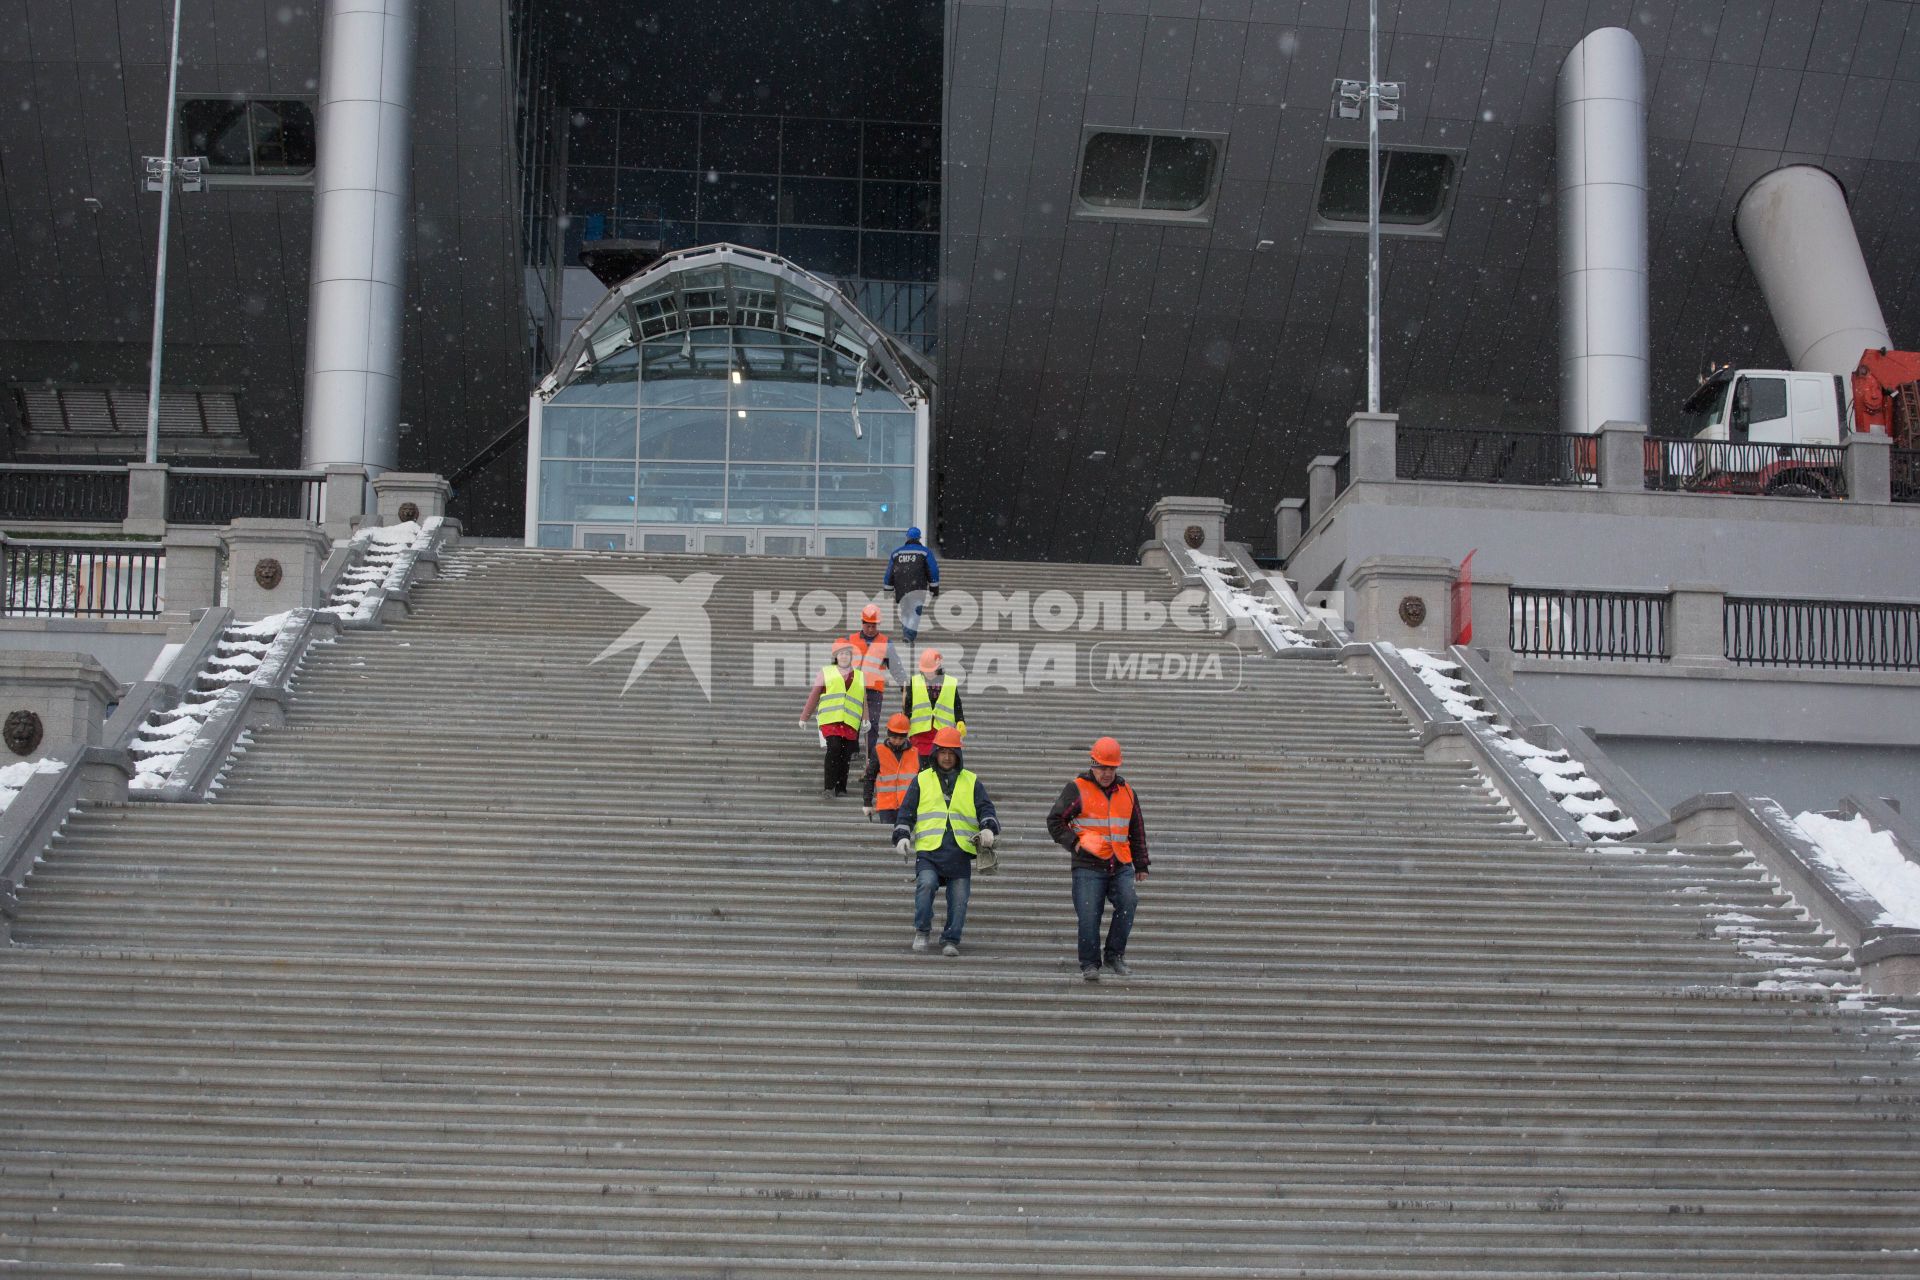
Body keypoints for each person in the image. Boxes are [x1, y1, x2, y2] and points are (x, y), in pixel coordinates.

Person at [1046, 736, 1150, 982]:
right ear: (1093, 764)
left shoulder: (1127, 792)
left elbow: (1137, 829)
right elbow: (1055, 821)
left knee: (1128, 903)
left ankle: (1114, 956)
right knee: (1089, 914)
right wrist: (1075, 843)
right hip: (1087, 866)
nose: (1107, 773)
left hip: (1120, 862)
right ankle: (1090, 963)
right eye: (1102, 767)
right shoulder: (1077, 788)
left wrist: (1141, 863)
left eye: (1111, 768)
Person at [893, 726, 999, 957]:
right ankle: (922, 931)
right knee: (926, 885)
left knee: (959, 898)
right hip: (930, 850)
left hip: (959, 851)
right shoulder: (921, 780)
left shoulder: (971, 781)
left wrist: (989, 828)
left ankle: (950, 938)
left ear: (959, 755)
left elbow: (986, 809)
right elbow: (906, 812)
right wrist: (901, 836)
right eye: (943, 752)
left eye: (952, 752)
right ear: (935, 753)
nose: (947, 757)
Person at [797, 637, 866, 798]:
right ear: (835, 656)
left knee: (846, 754)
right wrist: (804, 717)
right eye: (841, 653)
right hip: (830, 720)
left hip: (850, 722)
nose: (844, 656)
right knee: (834, 748)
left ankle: (841, 787)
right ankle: (829, 787)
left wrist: (865, 718)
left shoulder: (860, 675)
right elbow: (814, 695)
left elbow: (863, 700)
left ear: (851, 656)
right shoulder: (826, 672)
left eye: (847, 654)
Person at [847, 603, 892, 814]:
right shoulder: (852, 640)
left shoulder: (885, 642)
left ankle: (870, 758)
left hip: (874, 690)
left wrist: (905, 686)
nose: (871, 628)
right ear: (862, 623)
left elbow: (896, 665)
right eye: (868, 625)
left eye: (874, 625)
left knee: (872, 724)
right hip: (854, 688)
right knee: (854, 721)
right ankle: (854, 748)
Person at [902, 646, 963, 759]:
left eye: (931, 671)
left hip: (942, 733)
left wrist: (960, 720)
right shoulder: (915, 681)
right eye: (925, 671)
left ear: (938, 667)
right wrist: (905, 720)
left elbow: (957, 704)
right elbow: (908, 705)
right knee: (920, 767)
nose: (928, 674)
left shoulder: (950, 682)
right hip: (919, 734)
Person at [882, 526, 939, 646]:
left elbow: (889, 572)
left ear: (907, 537)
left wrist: (888, 589)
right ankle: (909, 635)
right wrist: (934, 587)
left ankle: (906, 633)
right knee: (915, 612)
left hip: (901, 588)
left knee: (906, 611)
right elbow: (933, 570)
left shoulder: (897, 553)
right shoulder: (925, 552)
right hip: (918, 588)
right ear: (919, 538)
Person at [870, 713, 919, 829]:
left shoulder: (915, 753)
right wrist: (867, 802)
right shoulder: (878, 751)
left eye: (901, 738)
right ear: (888, 735)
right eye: (894, 737)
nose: (897, 741)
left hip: (908, 805)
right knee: (888, 839)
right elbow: (869, 777)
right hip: (886, 807)